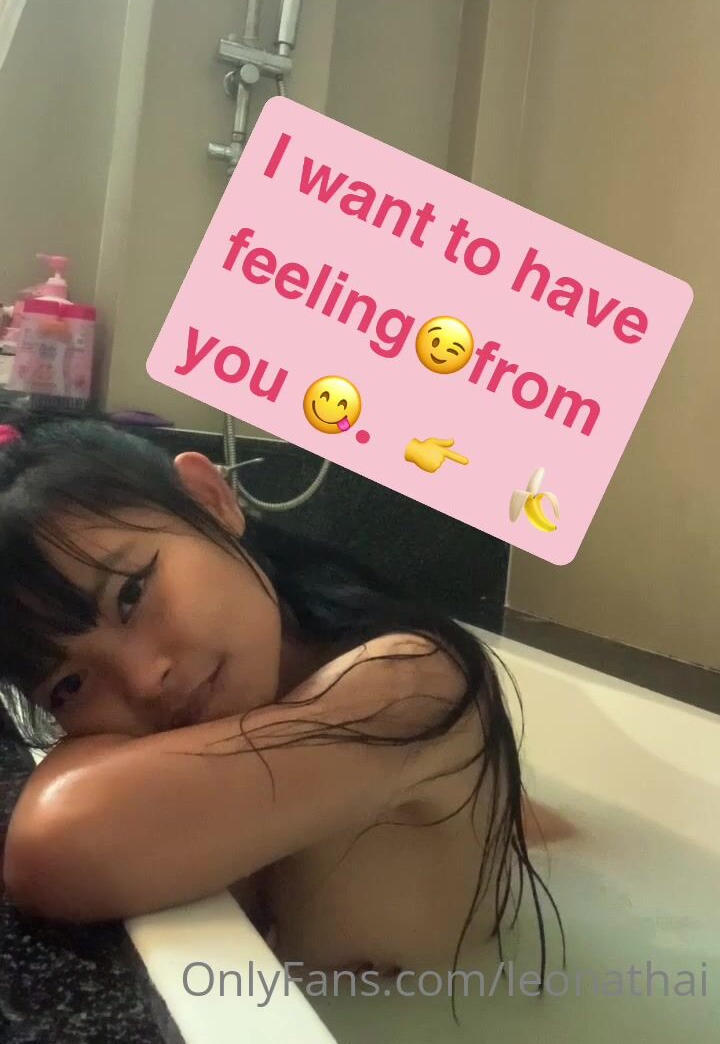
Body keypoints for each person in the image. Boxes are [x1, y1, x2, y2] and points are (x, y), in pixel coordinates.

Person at [0, 416, 566, 985]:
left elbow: (56, 846)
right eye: (70, 686)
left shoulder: (407, 678)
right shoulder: (272, 723)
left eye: (131, 594)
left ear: (210, 499)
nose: (144, 680)